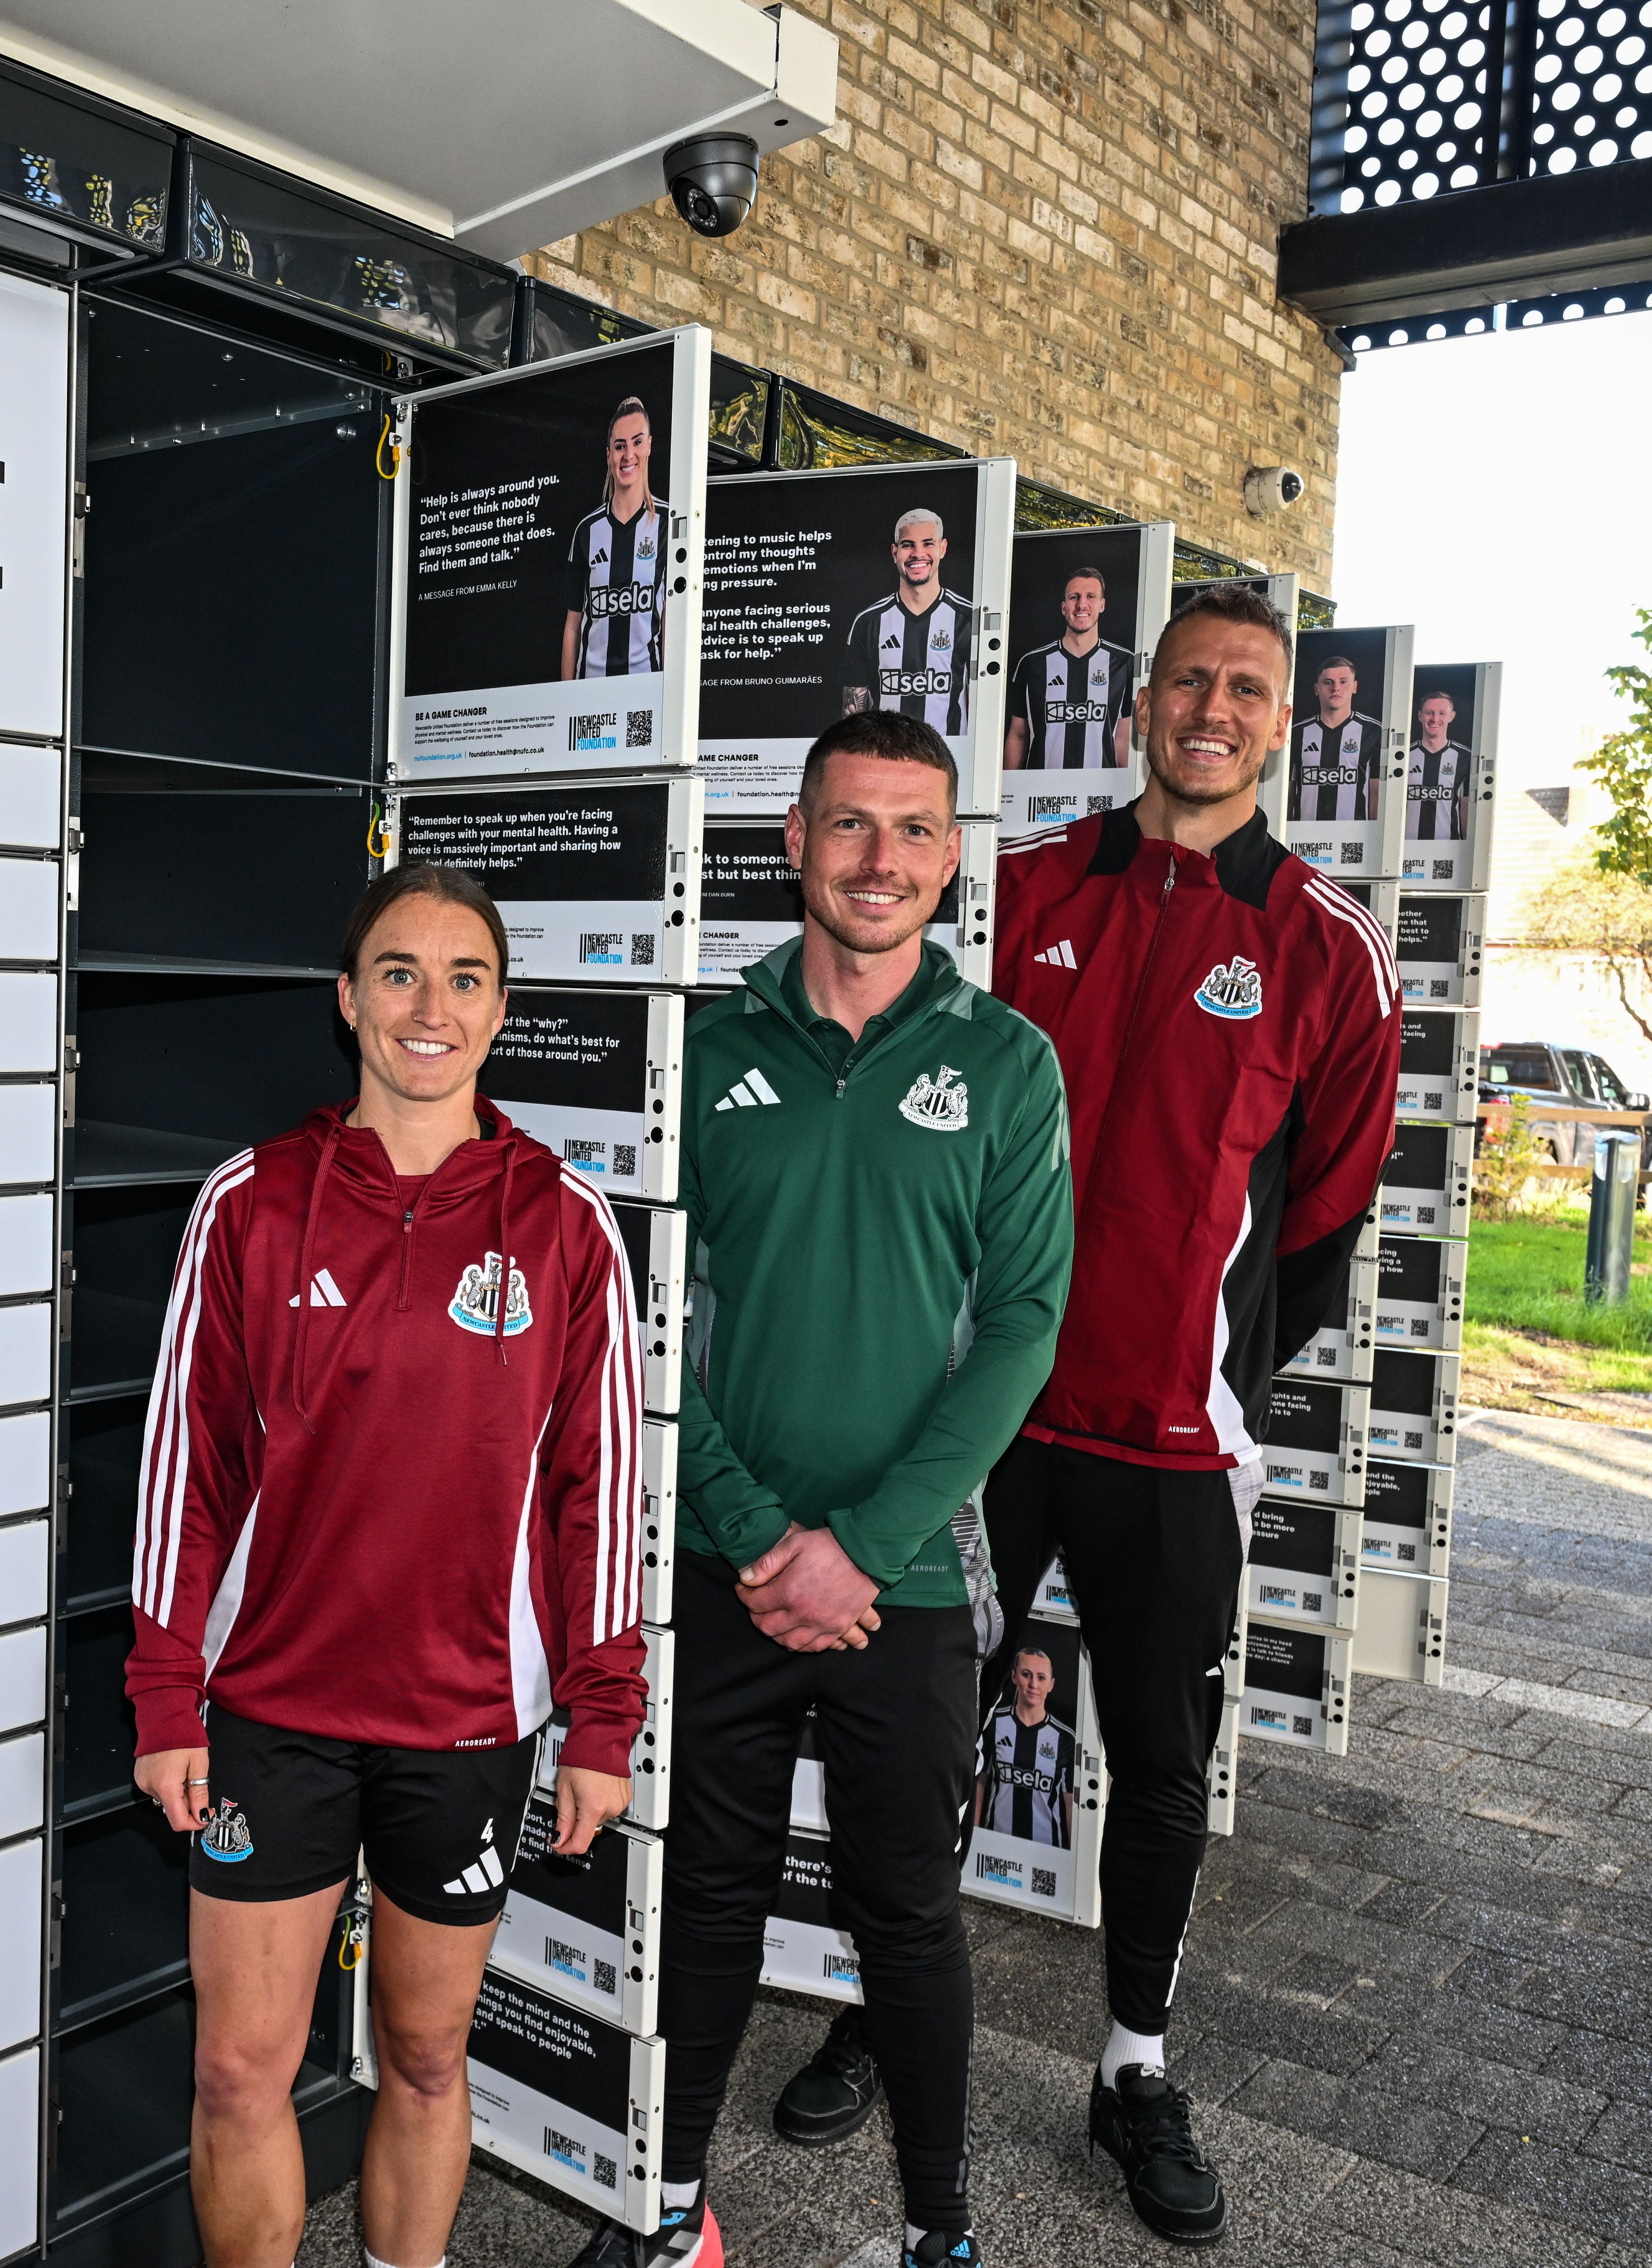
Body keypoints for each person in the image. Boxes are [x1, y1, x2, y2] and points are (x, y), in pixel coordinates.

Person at [779, 585, 1397, 2244]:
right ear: (1136, 703)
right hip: (976, 1426)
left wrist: (1221, 1378)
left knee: (1166, 1766)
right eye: (1186, 677)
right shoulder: (1034, 890)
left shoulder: (1325, 947)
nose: (1211, 706)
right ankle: (878, 2007)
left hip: (1174, 1445)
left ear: (1283, 725)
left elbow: (1327, 1221)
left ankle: (1132, 2065)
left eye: (1245, 688)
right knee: (919, 1733)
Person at [573, 710, 1072, 2268]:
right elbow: (652, 1322)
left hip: (909, 1580)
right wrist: (755, 1533)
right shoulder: (704, 1051)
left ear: (950, 858)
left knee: (907, 1913)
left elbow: (1021, 1329)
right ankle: (667, 2211)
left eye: (913, 830)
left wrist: (856, 1546)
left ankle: (939, 2230)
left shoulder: (1006, 1063)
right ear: (791, 842)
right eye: (849, 825)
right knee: (706, 1900)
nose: (879, 860)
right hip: (729, 1570)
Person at [129, 862, 646, 2268]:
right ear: (348, 1002)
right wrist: (168, 1690)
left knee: (422, 2058)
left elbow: (601, 1493)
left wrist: (604, 1713)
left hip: (466, 1718)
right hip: (273, 1712)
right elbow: (188, 1469)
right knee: (241, 2068)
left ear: (499, 1012)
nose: (433, 1005)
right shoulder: (250, 1204)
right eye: (401, 974)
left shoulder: (565, 1225)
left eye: (466, 976)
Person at [562, 398, 668, 681]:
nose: (628, 455)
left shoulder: (668, 525)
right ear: (609, 455)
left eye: (637, 443)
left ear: (649, 446)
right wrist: (566, 698)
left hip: (646, 691)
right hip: (592, 693)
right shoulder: (587, 530)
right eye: (620, 446)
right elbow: (573, 625)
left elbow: (672, 621)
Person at [842, 509, 973, 739]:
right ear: (895, 553)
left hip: (949, 761)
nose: (918, 554)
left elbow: (983, 709)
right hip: (885, 760)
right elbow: (852, 715)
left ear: (942, 549)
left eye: (928, 544)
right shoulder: (868, 622)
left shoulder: (969, 618)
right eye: (908, 545)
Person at [1004, 566, 1134, 771]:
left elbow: (1123, 737)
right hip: (1042, 793)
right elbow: (1019, 735)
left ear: (1102, 605)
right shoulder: (1032, 664)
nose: (1082, 604)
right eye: (1075, 597)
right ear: (1064, 607)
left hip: (1100, 793)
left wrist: (1128, 795)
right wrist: (1008, 795)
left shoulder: (1125, 664)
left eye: (1091, 597)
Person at [974, 1646, 1078, 1851]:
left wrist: (1075, 1856)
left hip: (1047, 1853)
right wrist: (975, 1835)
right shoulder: (994, 1723)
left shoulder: (1065, 1739)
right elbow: (979, 1786)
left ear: (1051, 1685)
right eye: (1026, 1675)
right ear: (1014, 1677)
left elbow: (1070, 1806)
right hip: (997, 1846)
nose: (1033, 1685)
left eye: (1041, 1678)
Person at [1289, 651, 1383, 825]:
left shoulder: (1374, 732)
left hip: (1353, 837)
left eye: (1343, 682)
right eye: (1328, 683)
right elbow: (1288, 792)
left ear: (1355, 687)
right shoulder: (1297, 733)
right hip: (1304, 837)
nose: (1336, 688)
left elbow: (1376, 794)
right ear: (1317, 689)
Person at [1406, 690, 1473, 843]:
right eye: (1430, 713)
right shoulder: (1403, 757)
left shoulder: (1465, 758)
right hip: (1409, 849)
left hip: (1447, 849)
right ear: (1420, 716)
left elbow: (1466, 810)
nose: (1435, 719)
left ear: (1452, 716)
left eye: (1442, 713)